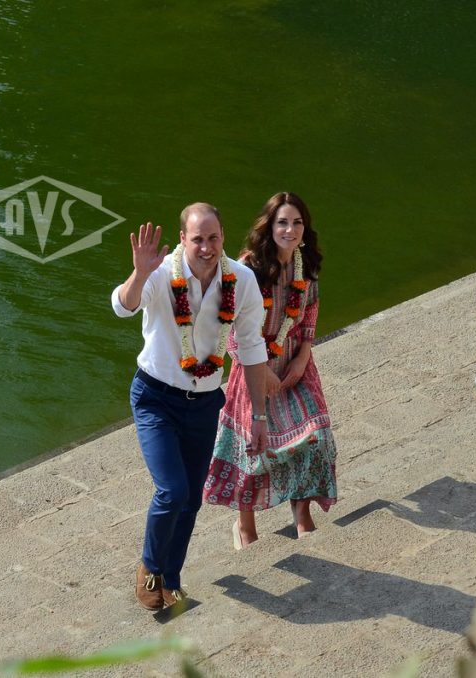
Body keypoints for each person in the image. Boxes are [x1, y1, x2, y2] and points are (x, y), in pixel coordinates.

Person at [111, 203, 269, 610]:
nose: (206, 247)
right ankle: (150, 569)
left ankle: (172, 578)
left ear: (223, 237)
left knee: (192, 498)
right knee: (172, 489)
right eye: (197, 239)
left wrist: (259, 416)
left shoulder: (242, 281)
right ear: (183, 239)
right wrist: (139, 273)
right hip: (155, 398)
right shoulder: (161, 272)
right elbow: (123, 306)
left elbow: (252, 348)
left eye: (213, 238)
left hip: (203, 403)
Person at [203, 192, 338, 548]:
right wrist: (260, 370)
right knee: (253, 448)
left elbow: (310, 312)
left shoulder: (306, 264)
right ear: (269, 227)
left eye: (297, 223)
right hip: (252, 365)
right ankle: (244, 525)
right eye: (282, 222)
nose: (290, 230)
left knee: (314, 437)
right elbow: (227, 327)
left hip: (294, 361)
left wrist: (303, 355)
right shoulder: (246, 268)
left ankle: (302, 515)